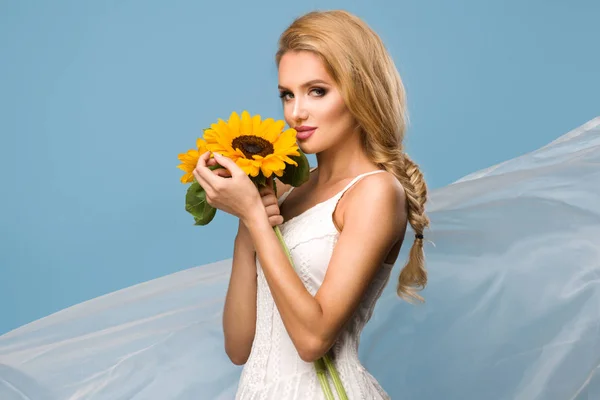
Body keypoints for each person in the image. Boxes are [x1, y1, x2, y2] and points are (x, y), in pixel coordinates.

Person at [193, 9, 428, 399]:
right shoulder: (283, 187)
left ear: (360, 91)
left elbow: (312, 340)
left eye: (316, 91)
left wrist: (254, 213)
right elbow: (238, 348)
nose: (295, 112)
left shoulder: (376, 192)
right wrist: (246, 226)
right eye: (287, 94)